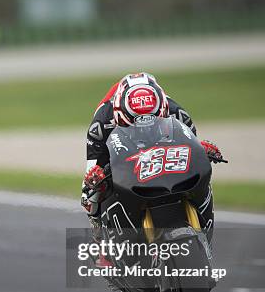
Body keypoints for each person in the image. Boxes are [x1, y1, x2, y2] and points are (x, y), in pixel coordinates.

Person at [80, 72, 224, 266]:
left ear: (162, 108)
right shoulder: (102, 121)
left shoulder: (177, 112)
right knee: (89, 194)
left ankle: (203, 230)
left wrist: (204, 149)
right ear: (121, 115)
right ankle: (102, 243)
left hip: (162, 149)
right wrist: (95, 177)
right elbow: (93, 165)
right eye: (137, 123)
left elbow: (191, 146)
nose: (145, 129)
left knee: (200, 172)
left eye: (152, 121)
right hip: (122, 151)